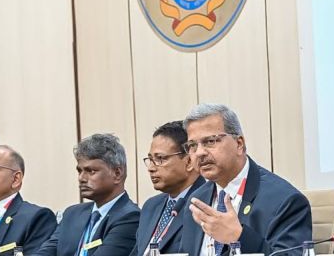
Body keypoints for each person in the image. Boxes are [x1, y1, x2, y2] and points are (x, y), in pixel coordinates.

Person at [179, 103, 312, 256]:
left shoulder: (285, 201)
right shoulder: (196, 201)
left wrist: (238, 237)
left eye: (210, 141)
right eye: (192, 145)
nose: (200, 152)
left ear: (239, 144)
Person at [36, 133, 140, 256]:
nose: (81, 178)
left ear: (117, 173)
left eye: (91, 171)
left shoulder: (130, 217)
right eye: (79, 171)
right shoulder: (72, 213)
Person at [131, 120, 205, 256]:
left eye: (160, 159)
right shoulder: (151, 205)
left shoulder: (206, 202)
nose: (151, 168)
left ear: (189, 162)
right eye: (150, 160)